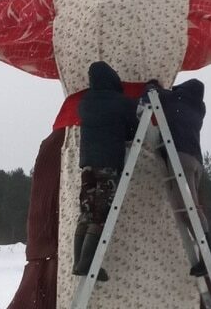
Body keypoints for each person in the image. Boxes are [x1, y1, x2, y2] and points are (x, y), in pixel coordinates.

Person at [146, 78, 211, 276]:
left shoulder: (177, 102)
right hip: (196, 161)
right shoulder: (197, 108)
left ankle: (209, 256)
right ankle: (209, 254)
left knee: (189, 208)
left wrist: (153, 86)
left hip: (181, 159)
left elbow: (155, 95)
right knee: (189, 208)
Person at [72, 61, 139, 281]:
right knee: (102, 214)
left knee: (87, 213)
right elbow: (133, 127)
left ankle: (78, 262)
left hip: (87, 165)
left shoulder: (84, 102)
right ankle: (87, 263)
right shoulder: (120, 102)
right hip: (108, 164)